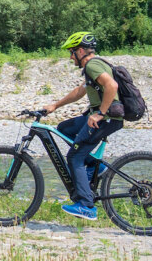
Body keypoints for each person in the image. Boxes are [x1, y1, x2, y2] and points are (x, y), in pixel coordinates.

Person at [36, 31, 123, 220]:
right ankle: (94, 167)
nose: (70, 57)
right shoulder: (93, 66)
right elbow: (79, 92)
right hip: (102, 117)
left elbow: (112, 86)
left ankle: (86, 205)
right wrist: (55, 106)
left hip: (105, 119)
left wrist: (100, 114)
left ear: (81, 51)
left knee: (75, 157)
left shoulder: (92, 65)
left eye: (71, 52)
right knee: (65, 128)